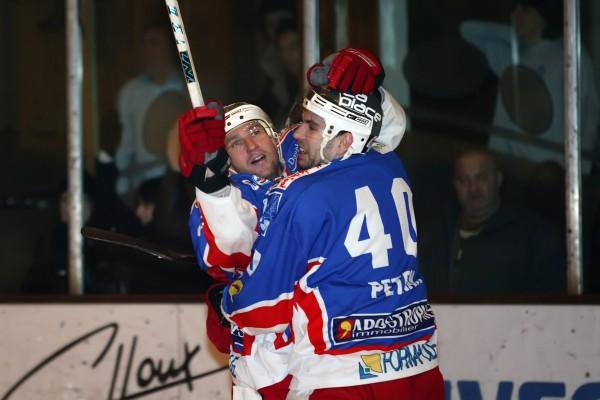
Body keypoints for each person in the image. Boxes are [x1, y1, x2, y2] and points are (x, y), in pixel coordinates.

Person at [179, 49, 407, 399]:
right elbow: (232, 248)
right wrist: (211, 184)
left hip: (322, 355)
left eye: (255, 130)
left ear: (275, 135)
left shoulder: (303, 152)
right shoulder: (229, 196)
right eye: (234, 142)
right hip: (268, 367)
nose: (250, 145)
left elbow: (382, 136)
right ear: (227, 161)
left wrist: (371, 95)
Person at [218, 84, 443, 397]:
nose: (298, 133)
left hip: (343, 375)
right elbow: (390, 127)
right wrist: (370, 87)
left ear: (345, 140)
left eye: (312, 126)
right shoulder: (390, 164)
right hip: (419, 365)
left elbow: (262, 309)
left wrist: (228, 302)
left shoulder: (300, 192)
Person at [460, 0, 600, 174]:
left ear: (544, 16)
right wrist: (514, 36)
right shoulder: (511, 54)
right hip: (507, 165)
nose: (516, 15)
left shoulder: (570, 56)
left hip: (551, 170)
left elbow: (588, 115)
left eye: (525, 10)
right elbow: (468, 30)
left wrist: (580, 170)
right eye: (514, 8)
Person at [418, 148, 565, 294]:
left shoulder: (533, 237)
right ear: (455, 185)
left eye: (481, 178)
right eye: (463, 180)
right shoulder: (433, 235)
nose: (473, 188)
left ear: (498, 179)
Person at [115, 21, 185, 195]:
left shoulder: (186, 88)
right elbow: (125, 142)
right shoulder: (130, 92)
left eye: (154, 43)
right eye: (144, 44)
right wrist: (121, 188)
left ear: (170, 47)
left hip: (182, 183)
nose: (148, 50)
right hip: (144, 184)